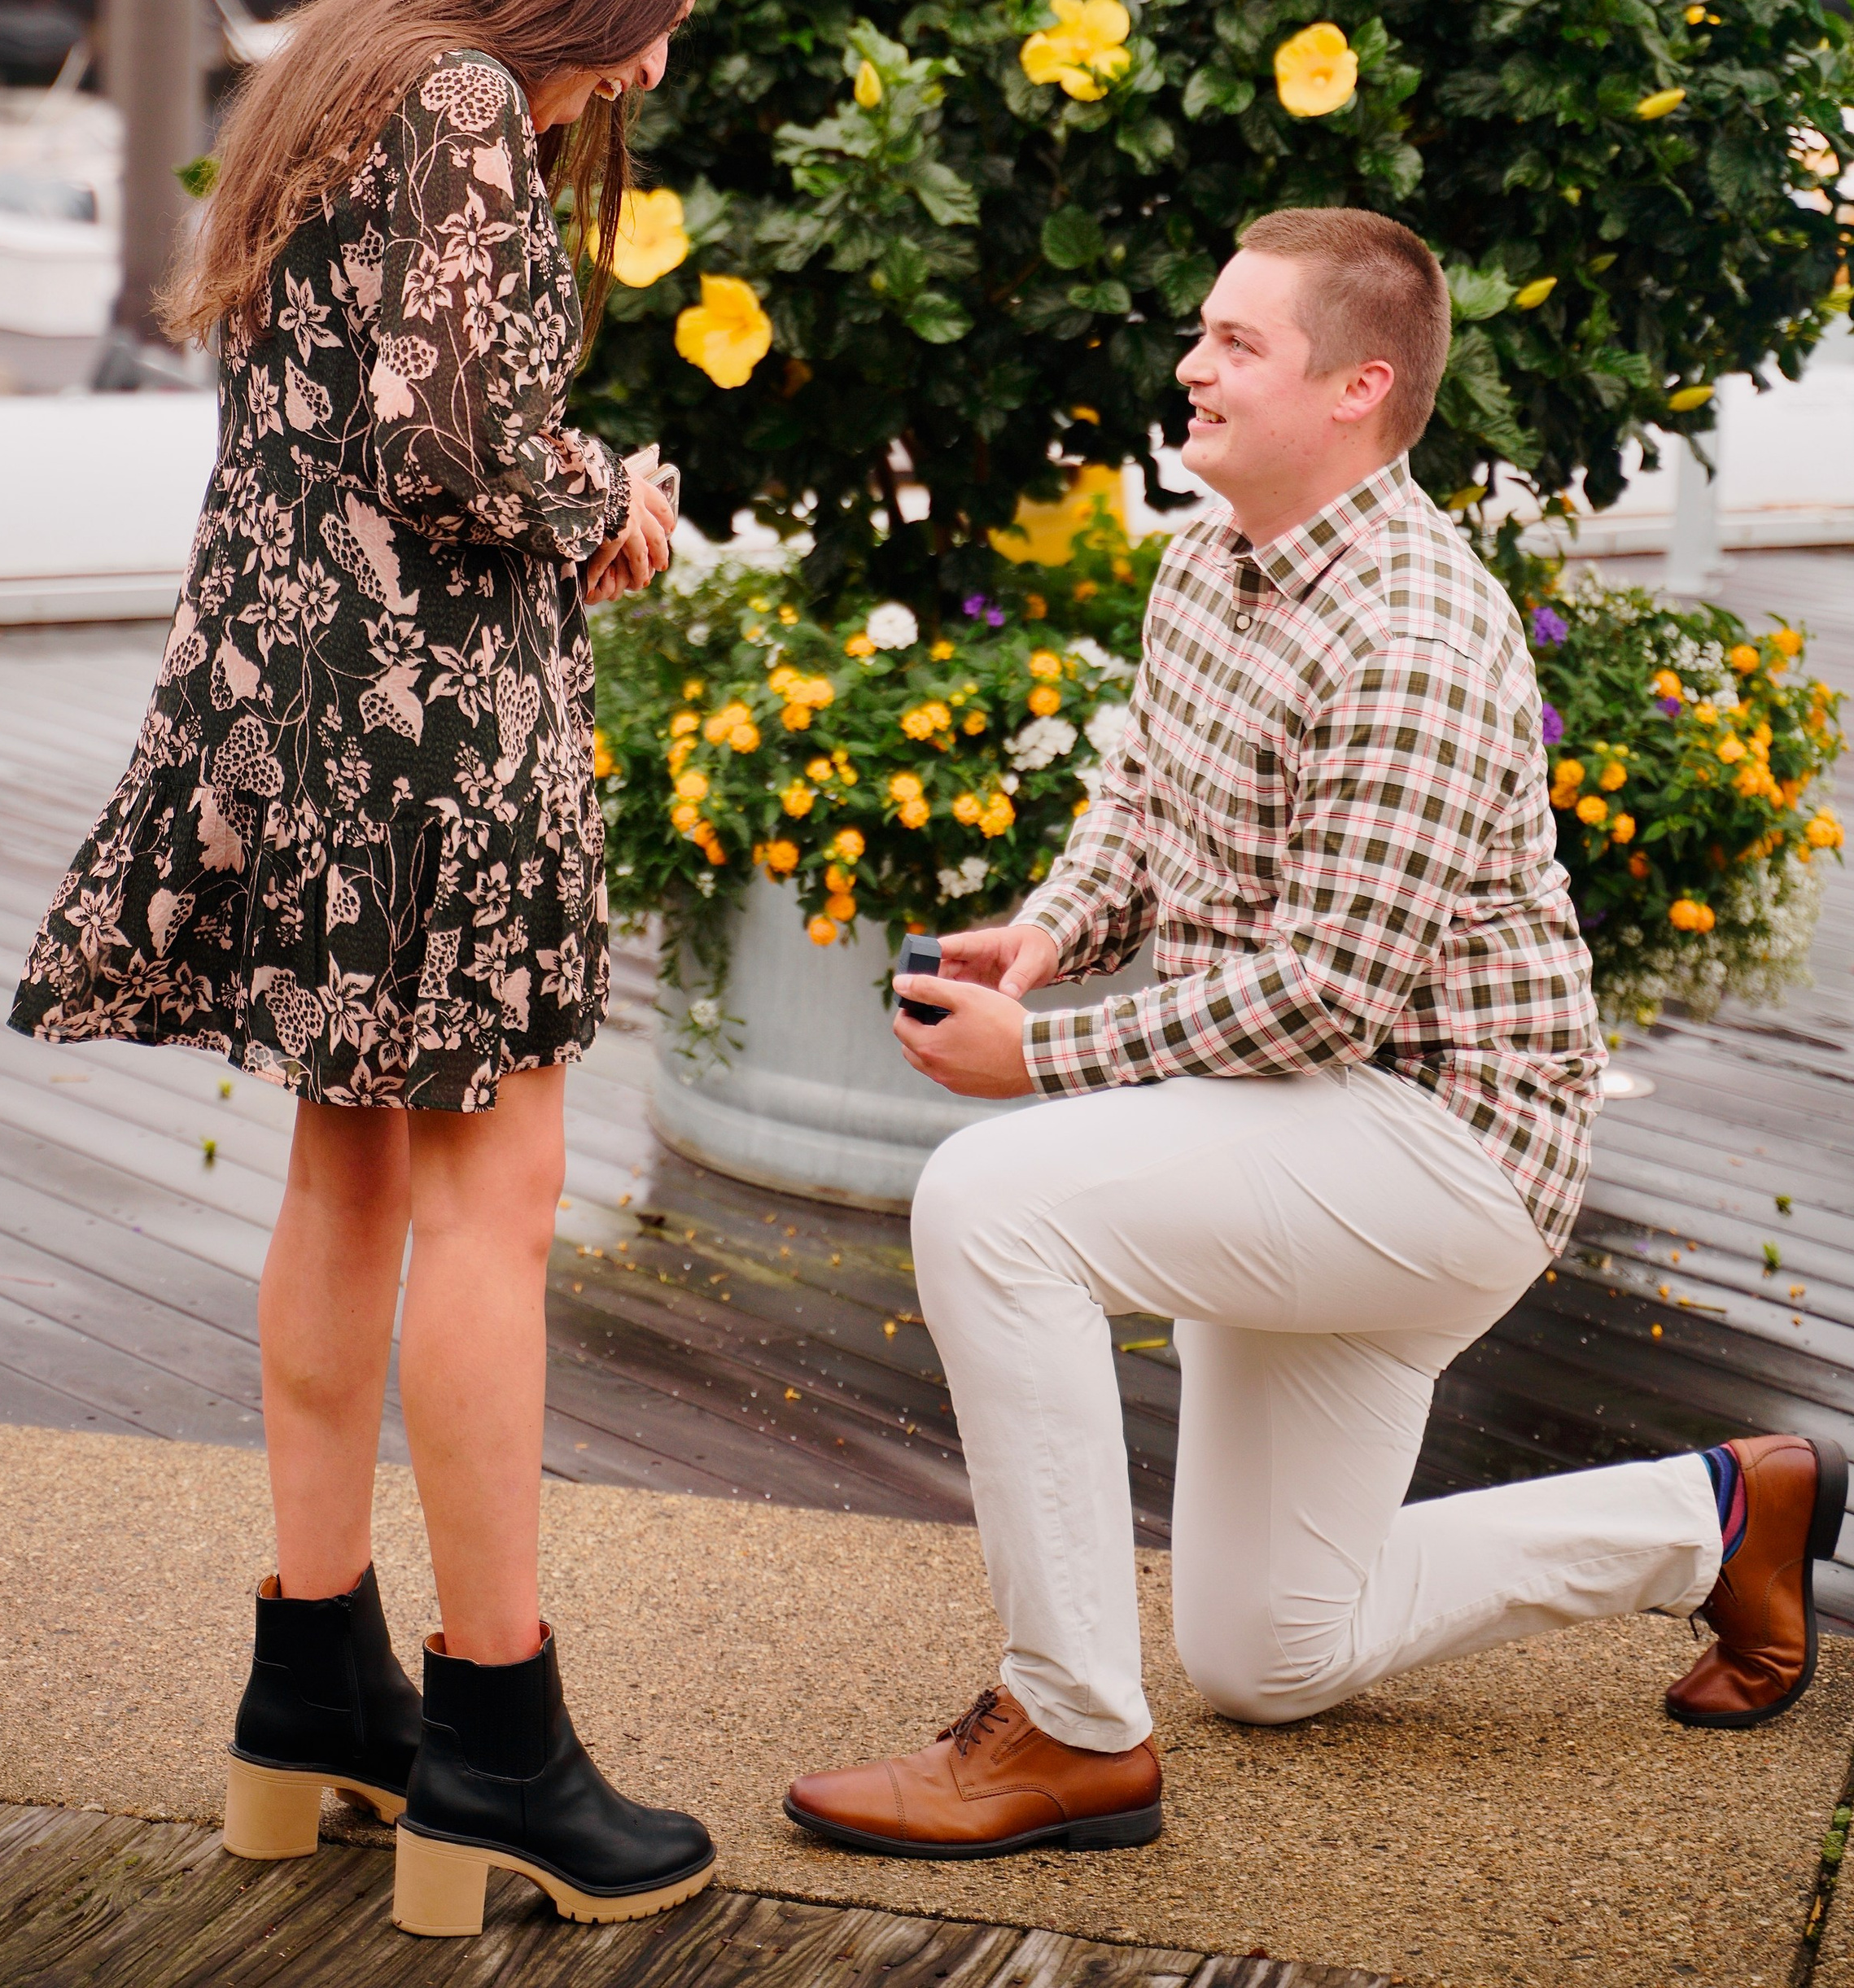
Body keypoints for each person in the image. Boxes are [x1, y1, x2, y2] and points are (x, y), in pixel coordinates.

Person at [785, 207, 1844, 1861]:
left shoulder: (1411, 632)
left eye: (1235, 343)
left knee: (994, 1197)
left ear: (1356, 387)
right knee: (1272, 1651)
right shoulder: (1203, 555)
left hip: (1432, 1145)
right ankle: (1711, 1517)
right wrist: (1048, 933)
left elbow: (1327, 989)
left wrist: (1041, 1055)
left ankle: (1063, 1730)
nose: (1189, 366)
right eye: (1200, 330)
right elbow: (1140, 798)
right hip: (1278, 1125)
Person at [11, 0, 728, 1938]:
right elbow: (461, 451)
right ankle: (499, 1733)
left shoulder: (343, 69)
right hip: (427, 739)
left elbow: (344, 430)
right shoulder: (473, 99)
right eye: (670, 6)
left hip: (296, 716)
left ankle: (311, 1682)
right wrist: (619, 490)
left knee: (342, 1179)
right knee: (492, 1207)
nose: (667, 59)